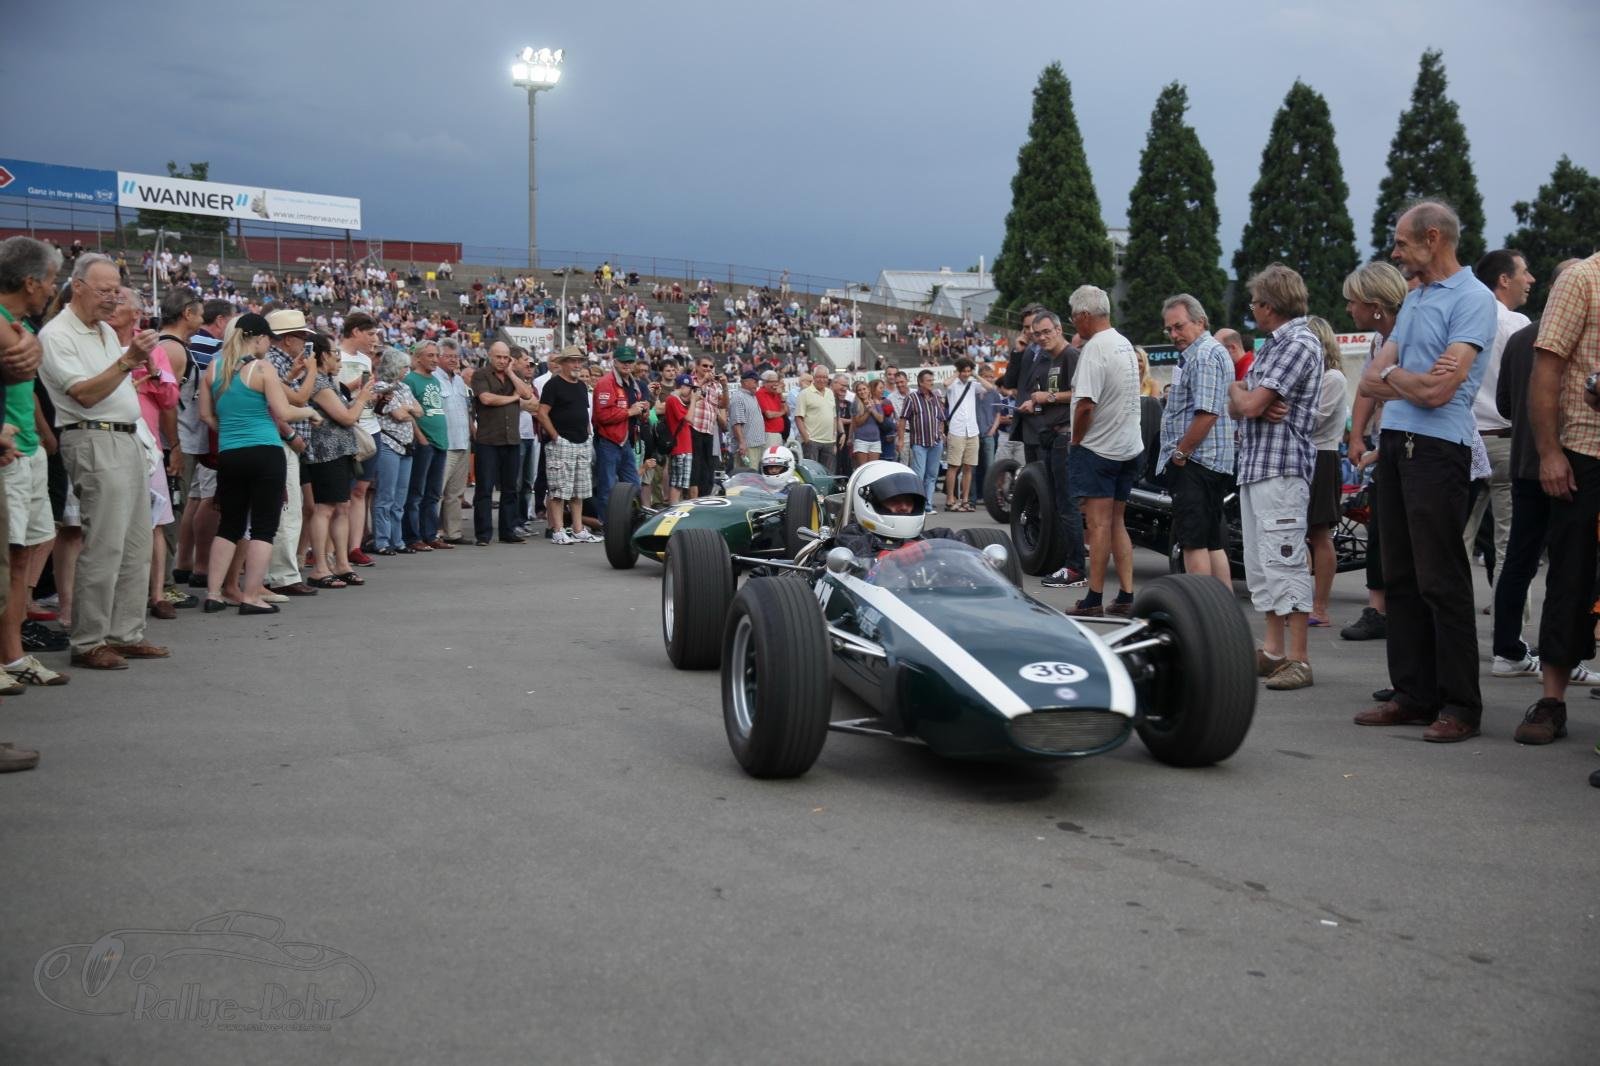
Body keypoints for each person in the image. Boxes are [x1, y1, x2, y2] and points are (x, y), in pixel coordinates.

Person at [1354, 201, 1497, 740]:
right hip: (1395, 444)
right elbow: (1368, 380)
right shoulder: (1415, 297)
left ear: (1432, 238)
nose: (1395, 253)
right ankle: (1413, 695)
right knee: (1400, 577)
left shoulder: (1473, 298)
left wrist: (1395, 374)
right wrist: (1404, 375)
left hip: (1438, 449)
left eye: (1402, 242)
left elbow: (1439, 392)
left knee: (1441, 578)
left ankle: (1460, 705)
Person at [37, 253, 168, 669]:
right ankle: (88, 640)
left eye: (117, 290)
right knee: (105, 544)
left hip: (126, 438)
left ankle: (125, 633)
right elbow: (85, 395)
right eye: (105, 290)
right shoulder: (57, 335)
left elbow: (116, 387)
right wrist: (129, 361)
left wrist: (131, 362)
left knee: (135, 544)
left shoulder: (104, 331)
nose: (113, 298)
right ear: (77, 287)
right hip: (93, 437)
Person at [1492, 259, 1591, 682]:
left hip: (1525, 462)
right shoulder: (1576, 338)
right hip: (1569, 461)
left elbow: (1504, 404)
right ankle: (1563, 657)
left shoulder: (1520, 338)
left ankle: (1507, 649)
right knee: (1570, 564)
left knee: (1519, 558)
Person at [1228, 263, 1323, 691]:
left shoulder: (1298, 342)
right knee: (1261, 562)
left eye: (1255, 302)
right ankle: (1273, 650)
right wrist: (1244, 394)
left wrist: (1248, 398)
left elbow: (1247, 405)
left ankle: (1299, 658)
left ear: (1270, 304)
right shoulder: (1275, 345)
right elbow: (1239, 402)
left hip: (1281, 468)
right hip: (1260, 466)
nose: (1252, 309)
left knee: (1284, 559)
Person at [1524, 251, 1600, 757]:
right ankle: (1552, 701)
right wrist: (1550, 452)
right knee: (1571, 576)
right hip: (1585, 451)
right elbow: (1546, 368)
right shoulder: (1582, 278)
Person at [197, 313, 319, 615]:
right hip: (264, 450)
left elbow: (206, 415)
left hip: (230, 452)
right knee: (264, 526)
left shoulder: (215, 368)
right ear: (260, 338)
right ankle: (251, 595)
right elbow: (285, 412)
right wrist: (311, 413)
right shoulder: (262, 368)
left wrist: (230, 431)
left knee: (230, 524)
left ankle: (214, 593)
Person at [0, 236, 67, 689]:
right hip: (9, 455)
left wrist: (43, 435)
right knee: (7, 561)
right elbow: (21, 370)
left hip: (27, 451)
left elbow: (27, 388)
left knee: (21, 558)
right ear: (30, 282)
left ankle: (12, 655)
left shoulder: (20, 326)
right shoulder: (7, 325)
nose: (51, 289)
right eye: (50, 280)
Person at [1338, 262, 1409, 642]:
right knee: (1381, 530)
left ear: (1375, 306)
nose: (1349, 308)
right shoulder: (1379, 342)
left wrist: (1383, 387)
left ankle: (1404, 613)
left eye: (1353, 301)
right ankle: (1380, 611)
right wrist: (1356, 437)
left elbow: (1409, 393)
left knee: (1407, 537)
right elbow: (1368, 389)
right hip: (1391, 445)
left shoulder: (1410, 335)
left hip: (1414, 447)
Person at [1062, 286, 1142, 618]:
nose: (1073, 323)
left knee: (1097, 526)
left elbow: (1085, 405)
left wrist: (1076, 440)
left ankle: (1093, 598)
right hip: (1128, 445)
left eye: (1073, 317)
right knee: (1117, 522)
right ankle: (1126, 593)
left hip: (1099, 448)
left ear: (1084, 315)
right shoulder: (1123, 343)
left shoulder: (1095, 348)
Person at [1464, 249, 1534, 616]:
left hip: (1466, 438)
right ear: (1504, 280)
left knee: (1459, 537)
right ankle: (1512, 625)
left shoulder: (1463, 317)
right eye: (1524, 272)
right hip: (1506, 439)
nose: (1530, 280)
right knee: (1510, 541)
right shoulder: (1517, 324)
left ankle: (1451, 621)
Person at [1156, 293, 1237, 587]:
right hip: (1208, 461)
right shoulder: (1206, 352)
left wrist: (1180, 454)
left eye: (1179, 326)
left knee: (1193, 544)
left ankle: (1203, 609)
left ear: (1200, 322)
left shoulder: (1203, 355)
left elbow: (1207, 413)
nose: (1173, 334)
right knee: (1212, 542)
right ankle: (1223, 607)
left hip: (1197, 462)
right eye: (1169, 329)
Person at [303, 332, 369, 588]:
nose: (339, 360)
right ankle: (320, 567)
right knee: (325, 509)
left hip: (340, 451)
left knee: (342, 507)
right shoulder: (319, 383)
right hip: (325, 453)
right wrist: (363, 398)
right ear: (322, 356)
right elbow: (347, 418)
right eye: (335, 354)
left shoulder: (329, 381)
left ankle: (342, 564)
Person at [1027, 310, 1088, 589]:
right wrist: (1036, 403)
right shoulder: (1047, 360)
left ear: (1059, 329)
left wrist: (1047, 397)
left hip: (1066, 437)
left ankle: (1075, 568)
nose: (1042, 338)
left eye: (1046, 332)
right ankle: (1068, 563)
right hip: (1051, 435)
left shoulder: (1071, 356)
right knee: (1058, 505)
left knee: (1067, 505)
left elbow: (1082, 394)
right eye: (1037, 334)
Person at [173, 299, 230, 592]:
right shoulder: (214, 349)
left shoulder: (190, 344)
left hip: (190, 434)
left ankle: (184, 562)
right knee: (209, 499)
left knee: (194, 499)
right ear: (220, 321)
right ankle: (201, 566)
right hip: (202, 434)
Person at [263, 308, 319, 597]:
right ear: (287, 339)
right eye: (302, 336)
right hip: (282, 443)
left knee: (285, 510)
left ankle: (275, 572)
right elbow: (295, 400)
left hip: (283, 442)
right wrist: (312, 371)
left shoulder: (277, 362)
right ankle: (283, 575)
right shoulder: (272, 361)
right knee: (288, 511)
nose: (305, 343)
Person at [1303, 317, 1351, 626]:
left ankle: (1319, 608)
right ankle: (1304, 603)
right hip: (1307, 456)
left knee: (1319, 534)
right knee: (1301, 533)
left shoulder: (1333, 378)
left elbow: (1314, 419)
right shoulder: (1318, 378)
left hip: (1322, 457)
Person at [470, 340, 535, 545]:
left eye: (505, 357)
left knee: (510, 488)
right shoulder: (481, 375)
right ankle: (483, 534)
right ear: (490, 356)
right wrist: (513, 398)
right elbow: (487, 399)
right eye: (498, 357)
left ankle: (508, 531)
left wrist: (511, 374)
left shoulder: (512, 376)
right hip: (488, 440)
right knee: (485, 489)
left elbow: (527, 394)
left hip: (511, 439)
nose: (502, 360)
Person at [536, 347, 598, 544]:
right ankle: (558, 530)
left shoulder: (581, 386)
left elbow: (584, 413)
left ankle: (578, 530)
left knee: (579, 491)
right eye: (572, 361)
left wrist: (588, 435)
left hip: (582, 442)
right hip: (562, 443)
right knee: (559, 490)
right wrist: (556, 437)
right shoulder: (553, 385)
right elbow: (542, 413)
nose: (577, 365)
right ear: (562, 363)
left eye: (579, 361)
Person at [336, 312, 382, 567]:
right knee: (340, 494)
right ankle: (332, 548)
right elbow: (332, 392)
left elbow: (366, 392)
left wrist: (373, 395)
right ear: (356, 332)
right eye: (370, 334)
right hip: (346, 427)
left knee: (361, 490)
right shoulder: (335, 355)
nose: (374, 339)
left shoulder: (365, 359)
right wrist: (357, 387)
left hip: (370, 427)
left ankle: (354, 546)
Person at [370, 348, 421, 556]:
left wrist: (407, 409)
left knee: (400, 498)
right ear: (393, 367)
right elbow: (400, 415)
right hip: (388, 444)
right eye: (403, 367)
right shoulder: (381, 387)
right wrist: (408, 409)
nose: (406, 370)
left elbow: (420, 411)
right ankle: (382, 540)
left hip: (406, 445)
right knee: (386, 496)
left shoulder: (405, 387)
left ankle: (397, 540)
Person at [593, 346, 649, 510]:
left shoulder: (633, 384)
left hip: (626, 442)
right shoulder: (606, 383)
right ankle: (607, 523)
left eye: (630, 361)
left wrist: (643, 412)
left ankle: (630, 520)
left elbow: (636, 412)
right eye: (623, 361)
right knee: (608, 488)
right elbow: (602, 415)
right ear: (615, 362)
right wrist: (630, 411)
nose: (627, 364)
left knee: (634, 486)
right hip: (609, 441)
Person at [432, 339, 473, 544]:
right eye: (448, 356)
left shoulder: (459, 380)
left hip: (462, 441)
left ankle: (453, 533)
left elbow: (467, 410)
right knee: (436, 492)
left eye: (456, 356)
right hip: (444, 443)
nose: (453, 360)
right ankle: (431, 533)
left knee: (456, 493)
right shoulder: (433, 379)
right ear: (438, 357)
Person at [898, 369, 946, 512]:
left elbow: (941, 418)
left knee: (932, 475)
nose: (932, 383)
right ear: (920, 382)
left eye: (932, 380)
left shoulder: (936, 397)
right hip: (919, 442)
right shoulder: (911, 398)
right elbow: (902, 420)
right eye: (928, 381)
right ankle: (917, 504)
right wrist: (901, 439)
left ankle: (928, 505)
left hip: (935, 442)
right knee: (919, 474)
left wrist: (941, 432)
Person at [943, 357, 985, 511]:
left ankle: (965, 500)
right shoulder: (953, 385)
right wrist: (956, 373)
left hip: (972, 430)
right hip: (957, 430)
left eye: (968, 371)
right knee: (953, 466)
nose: (966, 374)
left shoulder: (973, 385)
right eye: (964, 371)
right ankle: (950, 499)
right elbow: (945, 383)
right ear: (959, 371)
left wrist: (975, 374)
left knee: (969, 467)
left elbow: (990, 387)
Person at [795, 364, 837, 469]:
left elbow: (834, 417)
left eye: (824, 377)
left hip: (829, 442)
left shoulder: (830, 393)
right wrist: (806, 439)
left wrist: (834, 438)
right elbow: (798, 417)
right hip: (812, 441)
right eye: (819, 377)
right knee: (812, 473)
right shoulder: (804, 394)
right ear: (813, 377)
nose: (822, 380)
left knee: (828, 474)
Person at [662, 373, 694, 505]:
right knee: (676, 484)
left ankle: (675, 507)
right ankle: (673, 509)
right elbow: (689, 418)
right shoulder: (672, 399)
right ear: (683, 386)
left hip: (685, 447)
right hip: (679, 447)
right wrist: (694, 401)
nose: (691, 391)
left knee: (680, 484)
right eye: (690, 387)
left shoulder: (677, 401)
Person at [728, 370, 766, 470]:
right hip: (747, 447)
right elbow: (736, 423)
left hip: (756, 445)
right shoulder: (739, 397)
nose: (757, 385)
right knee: (748, 476)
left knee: (755, 475)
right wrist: (742, 443)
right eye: (755, 382)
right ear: (745, 382)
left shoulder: (752, 396)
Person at [756, 370, 786, 449]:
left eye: (776, 381)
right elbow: (769, 414)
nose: (775, 384)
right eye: (772, 381)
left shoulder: (776, 393)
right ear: (764, 382)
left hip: (779, 433)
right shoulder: (760, 393)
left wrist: (781, 394)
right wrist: (782, 413)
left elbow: (786, 411)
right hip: (769, 434)